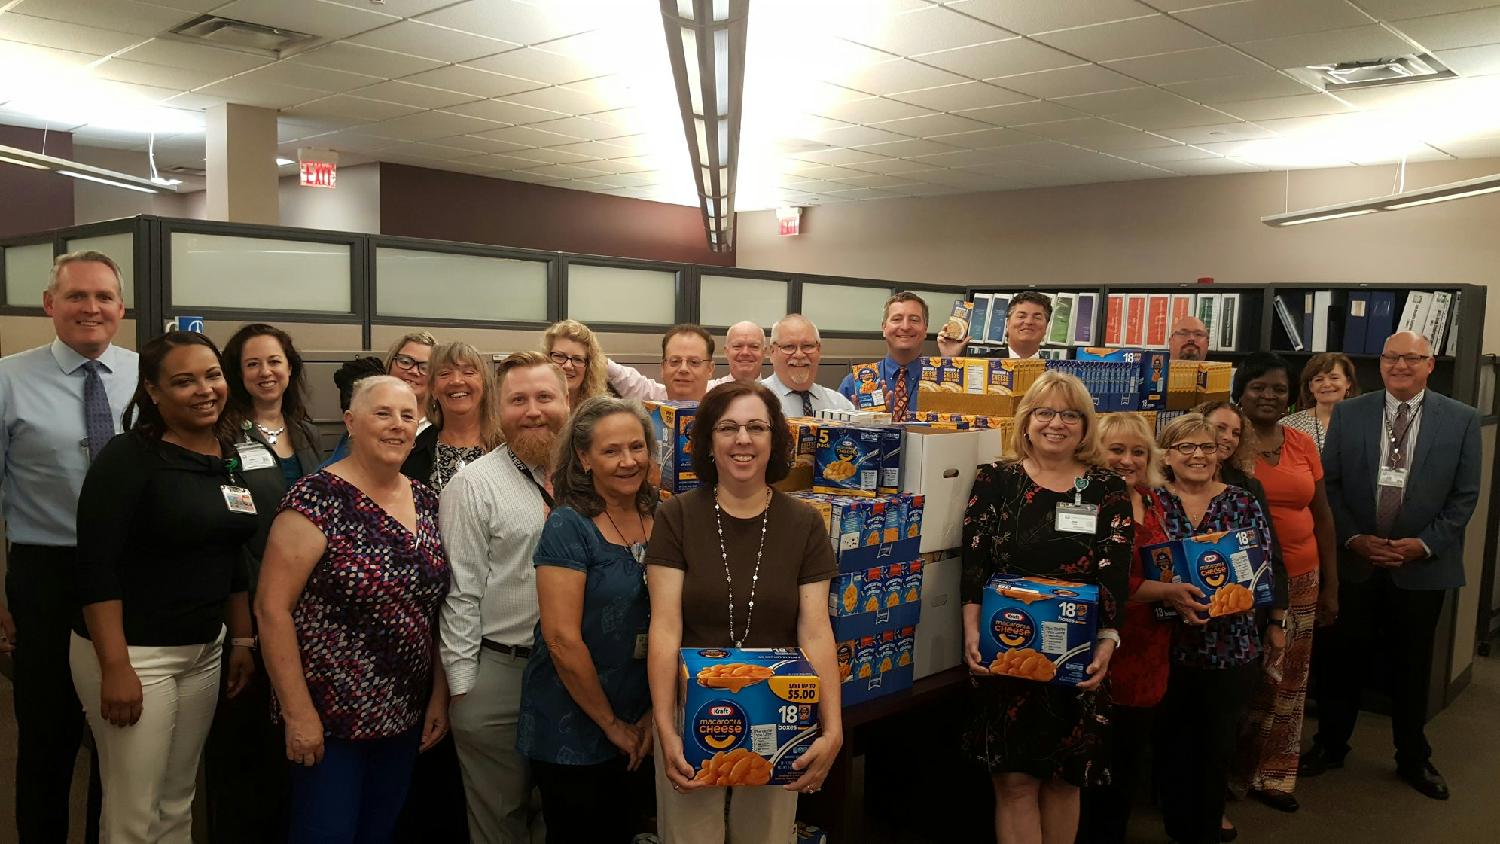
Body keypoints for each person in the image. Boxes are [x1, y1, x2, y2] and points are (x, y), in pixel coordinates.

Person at [70, 331, 258, 842]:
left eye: (213, 375)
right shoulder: (128, 459)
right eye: (183, 381)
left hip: (203, 649)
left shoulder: (228, 453)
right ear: (152, 391)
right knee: (134, 808)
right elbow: (96, 567)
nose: (204, 389)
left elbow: (230, 548)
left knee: (178, 800)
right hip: (136, 653)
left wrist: (240, 638)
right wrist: (115, 666)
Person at [256, 376, 451, 844]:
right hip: (329, 719)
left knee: (379, 832)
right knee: (325, 834)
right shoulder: (315, 499)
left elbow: (438, 609)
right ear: (351, 422)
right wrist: (298, 714)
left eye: (407, 415)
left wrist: (438, 696)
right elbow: (271, 609)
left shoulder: (427, 501)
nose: (397, 426)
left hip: (403, 714)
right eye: (382, 413)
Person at [645, 381, 842, 843]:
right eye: (728, 427)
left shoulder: (804, 523)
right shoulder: (676, 517)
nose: (743, 439)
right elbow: (665, 627)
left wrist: (832, 727)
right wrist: (663, 727)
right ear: (709, 442)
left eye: (757, 427)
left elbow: (815, 632)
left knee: (769, 836)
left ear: (774, 440)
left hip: (781, 710)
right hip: (691, 710)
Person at [1302, 331, 1480, 801]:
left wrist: (1422, 545)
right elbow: (1329, 489)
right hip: (1356, 562)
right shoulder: (1349, 413)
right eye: (1391, 357)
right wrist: (1355, 538)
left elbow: (1464, 498)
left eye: (1411, 358)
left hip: (1421, 566)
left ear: (1430, 364)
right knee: (1342, 662)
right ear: (1379, 364)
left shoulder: (1461, 420)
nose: (1400, 365)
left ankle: (1411, 756)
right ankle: (1331, 744)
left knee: (1411, 665)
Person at [959, 371, 1131, 844]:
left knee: (1063, 779)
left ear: (1085, 425)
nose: (1057, 423)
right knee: (1014, 782)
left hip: (1078, 654)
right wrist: (971, 632)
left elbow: (1114, 572)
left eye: (1070, 415)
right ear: (1027, 420)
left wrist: (1108, 644)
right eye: (1045, 412)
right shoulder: (997, 479)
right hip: (1005, 650)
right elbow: (974, 562)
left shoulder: (1107, 488)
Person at [0, 250, 131, 842]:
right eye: (77, 296)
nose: (91, 308)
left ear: (121, 308)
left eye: (104, 296)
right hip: (45, 574)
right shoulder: (7, 379)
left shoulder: (147, 375)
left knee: (123, 734)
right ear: (50, 305)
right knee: (47, 735)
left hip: (132, 573)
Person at [439, 351, 571, 842]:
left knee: (566, 814)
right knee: (500, 821)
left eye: (544, 397)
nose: (533, 410)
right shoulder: (473, 485)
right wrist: (464, 689)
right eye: (518, 400)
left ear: (568, 400)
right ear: (499, 409)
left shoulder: (596, 478)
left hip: (580, 674)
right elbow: (460, 594)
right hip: (502, 675)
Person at [517, 396, 658, 842]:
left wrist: (652, 717)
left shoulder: (663, 513)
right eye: (611, 451)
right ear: (583, 458)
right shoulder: (569, 525)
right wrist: (611, 725)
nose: (628, 461)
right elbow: (561, 639)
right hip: (572, 723)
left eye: (637, 447)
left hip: (646, 717)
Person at [206, 323, 323, 841]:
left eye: (274, 361)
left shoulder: (306, 430)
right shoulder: (225, 435)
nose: (265, 372)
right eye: (252, 364)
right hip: (251, 599)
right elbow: (233, 530)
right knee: (246, 740)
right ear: (238, 373)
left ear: (290, 367)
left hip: (310, 607)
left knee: (295, 734)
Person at [1152, 414, 1280, 844]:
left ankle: (1204, 831)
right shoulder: (1152, 500)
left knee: (1215, 749)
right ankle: (1175, 829)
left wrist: (1261, 608)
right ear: (1167, 455)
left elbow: (1263, 566)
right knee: (1172, 748)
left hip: (1230, 646)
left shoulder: (1242, 501)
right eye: (1185, 447)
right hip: (1166, 644)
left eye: (1206, 447)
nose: (1198, 455)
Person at [1079, 412, 1202, 844]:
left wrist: (1182, 595)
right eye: (1116, 449)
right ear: (1096, 451)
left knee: (1128, 764)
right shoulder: (1085, 502)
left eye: (1137, 451)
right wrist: (1168, 592)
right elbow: (1092, 581)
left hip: (1151, 648)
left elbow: (1170, 565)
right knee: (1094, 769)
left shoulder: (1155, 499)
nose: (1127, 460)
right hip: (1102, 650)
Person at [1225, 353, 1338, 814]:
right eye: (1258, 387)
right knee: (1243, 679)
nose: (1268, 396)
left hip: (1303, 578)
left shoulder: (1301, 443)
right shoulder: (1226, 444)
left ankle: (1273, 774)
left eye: (1277, 388)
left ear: (1291, 394)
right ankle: (1228, 771)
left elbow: (1323, 514)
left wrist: (1332, 584)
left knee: (1289, 680)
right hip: (1243, 584)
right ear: (1241, 392)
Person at [836, 291, 965, 417]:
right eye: (897, 319)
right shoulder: (855, 382)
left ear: (925, 329)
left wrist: (949, 361)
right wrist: (861, 423)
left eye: (914, 320)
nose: (905, 326)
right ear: (884, 328)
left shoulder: (943, 380)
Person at [403, 341, 503, 493]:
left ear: (484, 384)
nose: (456, 380)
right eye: (444, 374)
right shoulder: (412, 453)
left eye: (468, 372)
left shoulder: (510, 448)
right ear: (433, 389)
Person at [607, 322, 760, 401]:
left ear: (710, 369)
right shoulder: (655, 403)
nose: (683, 369)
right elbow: (625, 378)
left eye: (694, 362)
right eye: (674, 361)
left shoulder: (725, 403)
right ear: (663, 367)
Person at [760, 314, 854, 417]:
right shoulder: (755, 400)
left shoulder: (839, 405)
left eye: (807, 346)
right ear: (772, 352)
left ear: (819, 350)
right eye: (789, 346)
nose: (799, 354)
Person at [1281, 352, 1359, 452]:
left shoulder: (1365, 422)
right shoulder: (1289, 425)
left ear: (1348, 382)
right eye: (1319, 380)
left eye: (1334, 378)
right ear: (1311, 387)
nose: (1326, 384)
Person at [544, 319, 609, 408]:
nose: (568, 366)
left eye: (577, 359)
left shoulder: (599, 413)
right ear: (546, 358)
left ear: (589, 367)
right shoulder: (534, 409)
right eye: (559, 356)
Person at [386, 331, 439, 432]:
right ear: (390, 364)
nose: (414, 371)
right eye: (405, 362)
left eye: (425, 367)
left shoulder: (445, 428)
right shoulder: (368, 417)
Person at [1002, 291, 1051, 359]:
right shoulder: (983, 363)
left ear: (1046, 326)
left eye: (1037, 317)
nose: (1029, 322)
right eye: (1021, 316)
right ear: (1007, 323)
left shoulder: (1053, 368)